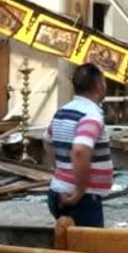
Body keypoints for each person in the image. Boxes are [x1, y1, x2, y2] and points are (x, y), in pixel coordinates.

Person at [44, 63, 112, 228]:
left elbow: (47, 140)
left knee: (66, 239)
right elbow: (80, 150)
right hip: (82, 199)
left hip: (58, 190)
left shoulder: (63, 112)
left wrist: (61, 170)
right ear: (99, 85)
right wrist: (79, 190)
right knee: (88, 244)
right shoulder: (91, 115)